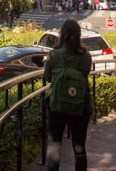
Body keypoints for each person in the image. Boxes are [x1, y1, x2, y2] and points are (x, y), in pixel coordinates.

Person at [44, 19, 92, 171]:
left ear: (61, 34)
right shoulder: (86, 57)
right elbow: (84, 75)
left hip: (57, 104)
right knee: (79, 147)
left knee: (54, 146)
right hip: (80, 105)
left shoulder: (54, 54)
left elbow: (48, 77)